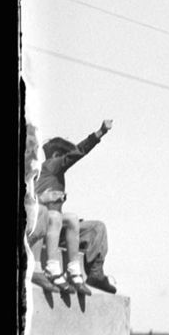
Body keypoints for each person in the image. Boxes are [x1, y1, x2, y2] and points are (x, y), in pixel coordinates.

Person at [30, 119, 114, 289]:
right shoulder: (53, 165)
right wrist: (100, 132)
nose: (66, 161)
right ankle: (84, 271)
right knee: (92, 227)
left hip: (56, 226)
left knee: (96, 228)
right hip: (46, 225)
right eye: (63, 156)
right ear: (56, 155)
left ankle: (94, 273)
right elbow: (78, 152)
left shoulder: (47, 174)